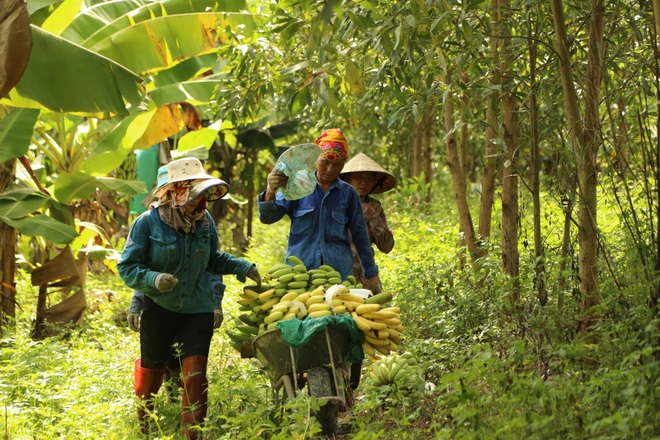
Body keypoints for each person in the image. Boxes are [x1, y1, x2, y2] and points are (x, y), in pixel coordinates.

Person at [118, 157, 261, 438]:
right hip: (160, 307)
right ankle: (146, 427)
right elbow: (127, 266)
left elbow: (213, 259)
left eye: (201, 193)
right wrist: (153, 279)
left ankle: (192, 434)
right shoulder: (147, 223)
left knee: (195, 376)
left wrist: (244, 267)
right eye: (193, 193)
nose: (200, 201)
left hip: (197, 308)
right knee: (152, 375)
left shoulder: (204, 221)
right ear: (175, 192)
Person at [257, 128, 380, 289]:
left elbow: (360, 237)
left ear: (344, 163)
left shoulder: (349, 194)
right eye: (325, 162)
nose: (330, 170)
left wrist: (371, 273)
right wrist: (270, 191)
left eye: (337, 165)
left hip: (338, 275)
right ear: (317, 158)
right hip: (300, 274)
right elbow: (267, 218)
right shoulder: (297, 185)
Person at [340, 153, 396, 293]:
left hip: (368, 276)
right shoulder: (336, 203)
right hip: (341, 275)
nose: (363, 182)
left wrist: (373, 218)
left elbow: (387, 246)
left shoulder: (374, 206)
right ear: (347, 180)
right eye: (358, 177)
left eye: (368, 178)